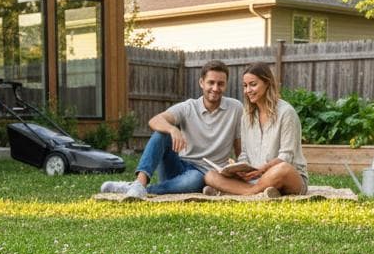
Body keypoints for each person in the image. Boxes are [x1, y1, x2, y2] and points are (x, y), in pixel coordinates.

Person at [101, 60, 242, 198]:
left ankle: (139, 189)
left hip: (207, 176)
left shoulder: (235, 108)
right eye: (211, 82)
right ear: (201, 83)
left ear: (226, 85)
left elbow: (239, 146)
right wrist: (173, 130)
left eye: (220, 84)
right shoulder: (188, 107)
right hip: (178, 167)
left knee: (195, 179)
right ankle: (140, 183)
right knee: (162, 133)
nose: (216, 88)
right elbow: (155, 120)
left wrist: (240, 170)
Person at [202, 62, 308, 198]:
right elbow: (245, 153)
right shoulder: (247, 115)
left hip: (287, 176)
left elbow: (286, 157)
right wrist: (238, 168)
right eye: (245, 86)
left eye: (253, 84)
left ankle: (244, 192)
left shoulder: (286, 113)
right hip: (254, 178)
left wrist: (261, 170)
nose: (248, 90)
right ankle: (261, 191)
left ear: (267, 83)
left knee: (282, 169)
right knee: (210, 175)